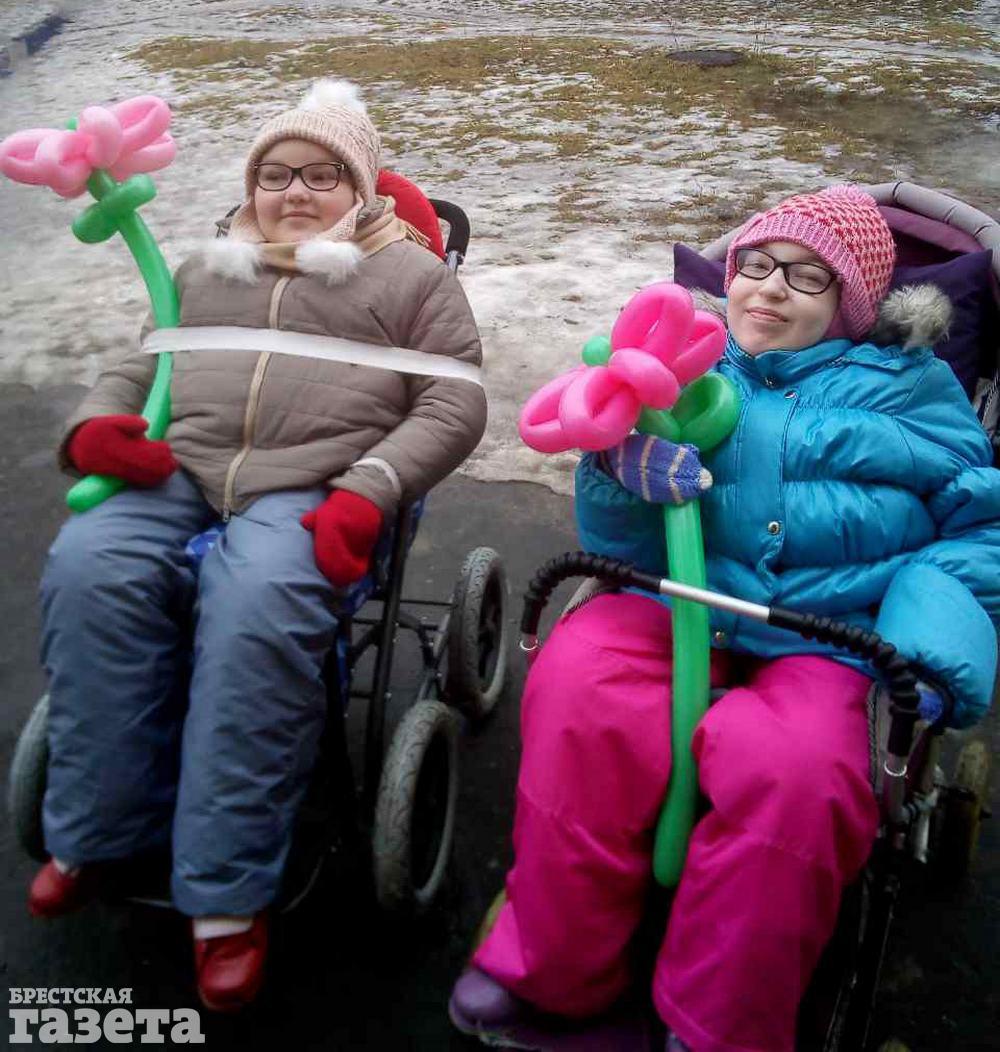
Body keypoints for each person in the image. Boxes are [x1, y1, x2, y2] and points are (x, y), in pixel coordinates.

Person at [449, 185, 1000, 1052]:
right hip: (677, 597)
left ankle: (720, 1022)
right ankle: (554, 964)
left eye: (807, 277)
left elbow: (978, 532)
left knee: (794, 772)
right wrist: (616, 473)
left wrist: (925, 648)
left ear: (853, 306)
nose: (771, 287)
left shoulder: (912, 391)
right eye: (756, 264)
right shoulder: (687, 370)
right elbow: (617, 543)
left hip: (833, 633)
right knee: (583, 691)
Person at [28, 78, 486, 1012]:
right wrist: (98, 425)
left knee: (255, 613)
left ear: (358, 187)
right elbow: (139, 362)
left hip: (318, 486)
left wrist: (370, 488)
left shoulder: (410, 278)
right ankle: (96, 831)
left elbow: (454, 401)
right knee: (88, 568)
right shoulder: (208, 268)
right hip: (185, 469)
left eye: (321, 174)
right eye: (275, 174)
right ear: (251, 185)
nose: (295, 191)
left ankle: (225, 895)